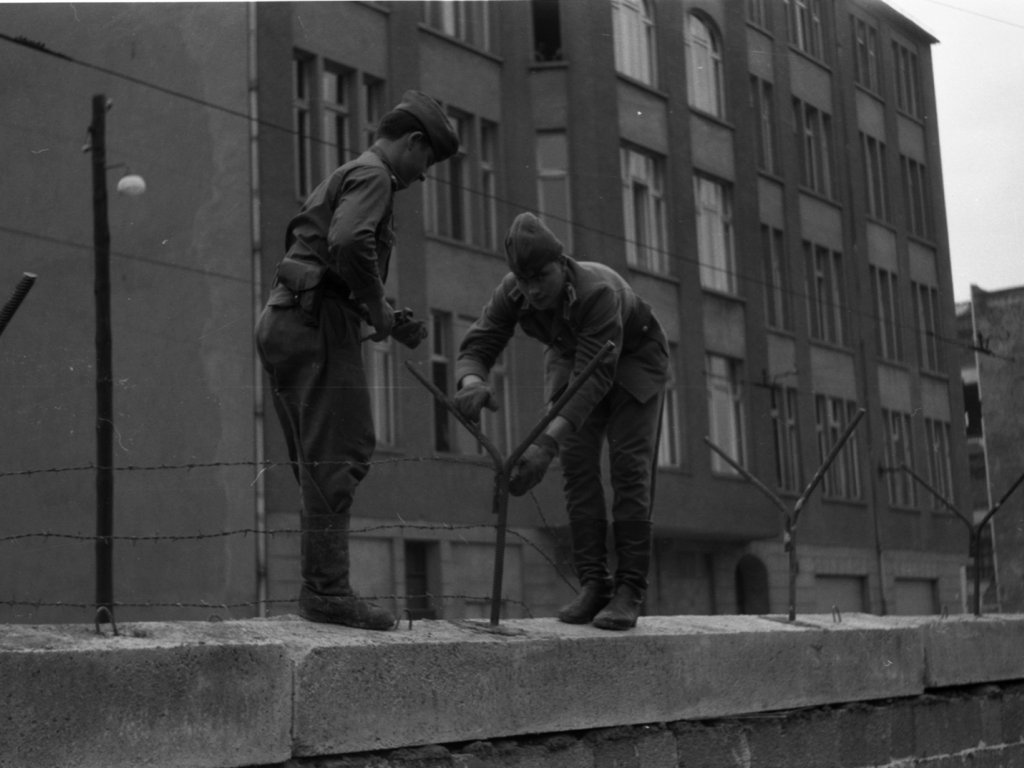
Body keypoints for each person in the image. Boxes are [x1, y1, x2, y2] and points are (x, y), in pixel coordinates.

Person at [255, 91, 459, 630]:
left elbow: (334, 256)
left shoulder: (351, 172)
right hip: (315, 323)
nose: (424, 176)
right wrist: (374, 305)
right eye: (429, 161)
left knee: (320, 458)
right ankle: (326, 592)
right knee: (341, 453)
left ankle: (321, 588)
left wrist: (383, 313)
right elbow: (349, 242)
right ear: (413, 143)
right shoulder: (375, 177)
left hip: (291, 317)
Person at [454, 212, 669, 630]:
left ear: (562, 264)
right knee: (577, 463)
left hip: (634, 357)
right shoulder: (513, 291)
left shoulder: (597, 292)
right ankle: (594, 585)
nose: (532, 290)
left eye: (541, 277)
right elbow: (479, 341)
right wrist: (472, 380)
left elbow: (595, 380)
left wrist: (543, 446)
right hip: (574, 353)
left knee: (628, 467)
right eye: (523, 279)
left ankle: (629, 590)